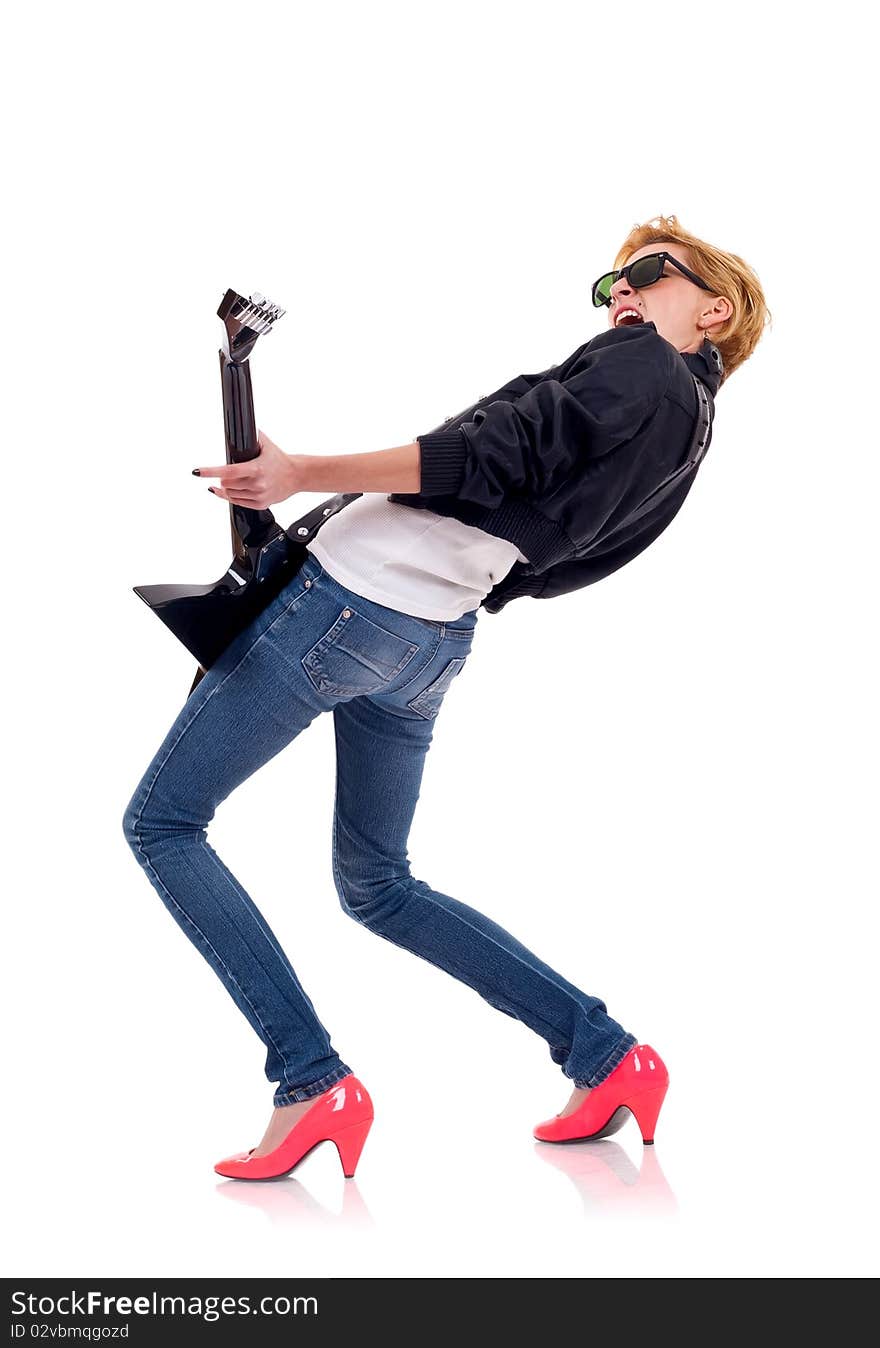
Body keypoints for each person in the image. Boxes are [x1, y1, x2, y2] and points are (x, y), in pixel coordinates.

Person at [122, 214, 770, 1180]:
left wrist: (302, 474)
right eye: (607, 285)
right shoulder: (688, 433)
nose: (618, 294)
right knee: (378, 885)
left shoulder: (640, 369)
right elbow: (570, 555)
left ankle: (310, 1082)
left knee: (163, 823)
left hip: (345, 614)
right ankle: (609, 1058)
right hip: (428, 641)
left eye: (643, 273)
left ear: (713, 309)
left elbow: (489, 452)